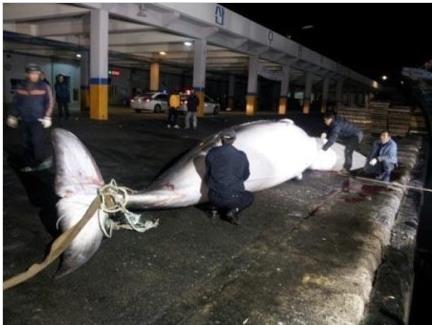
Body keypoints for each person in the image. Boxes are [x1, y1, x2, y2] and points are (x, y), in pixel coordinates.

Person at [6, 63, 54, 172]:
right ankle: (29, 164)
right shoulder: (21, 86)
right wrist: (12, 115)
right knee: (25, 143)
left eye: (37, 73)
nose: (34, 76)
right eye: (32, 73)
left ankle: (40, 161)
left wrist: (47, 117)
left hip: (38, 120)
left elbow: (50, 102)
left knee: (37, 142)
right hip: (24, 120)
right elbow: (16, 102)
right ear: (27, 74)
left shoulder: (44, 86)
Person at [206, 129, 254, 225]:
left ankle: (214, 208)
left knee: (218, 192)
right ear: (234, 139)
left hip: (212, 196)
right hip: (232, 198)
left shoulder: (212, 152)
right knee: (250, 197)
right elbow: (246, 175)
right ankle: (233, 210)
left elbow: (208, 171)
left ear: (221, 139)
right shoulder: (241, 155)